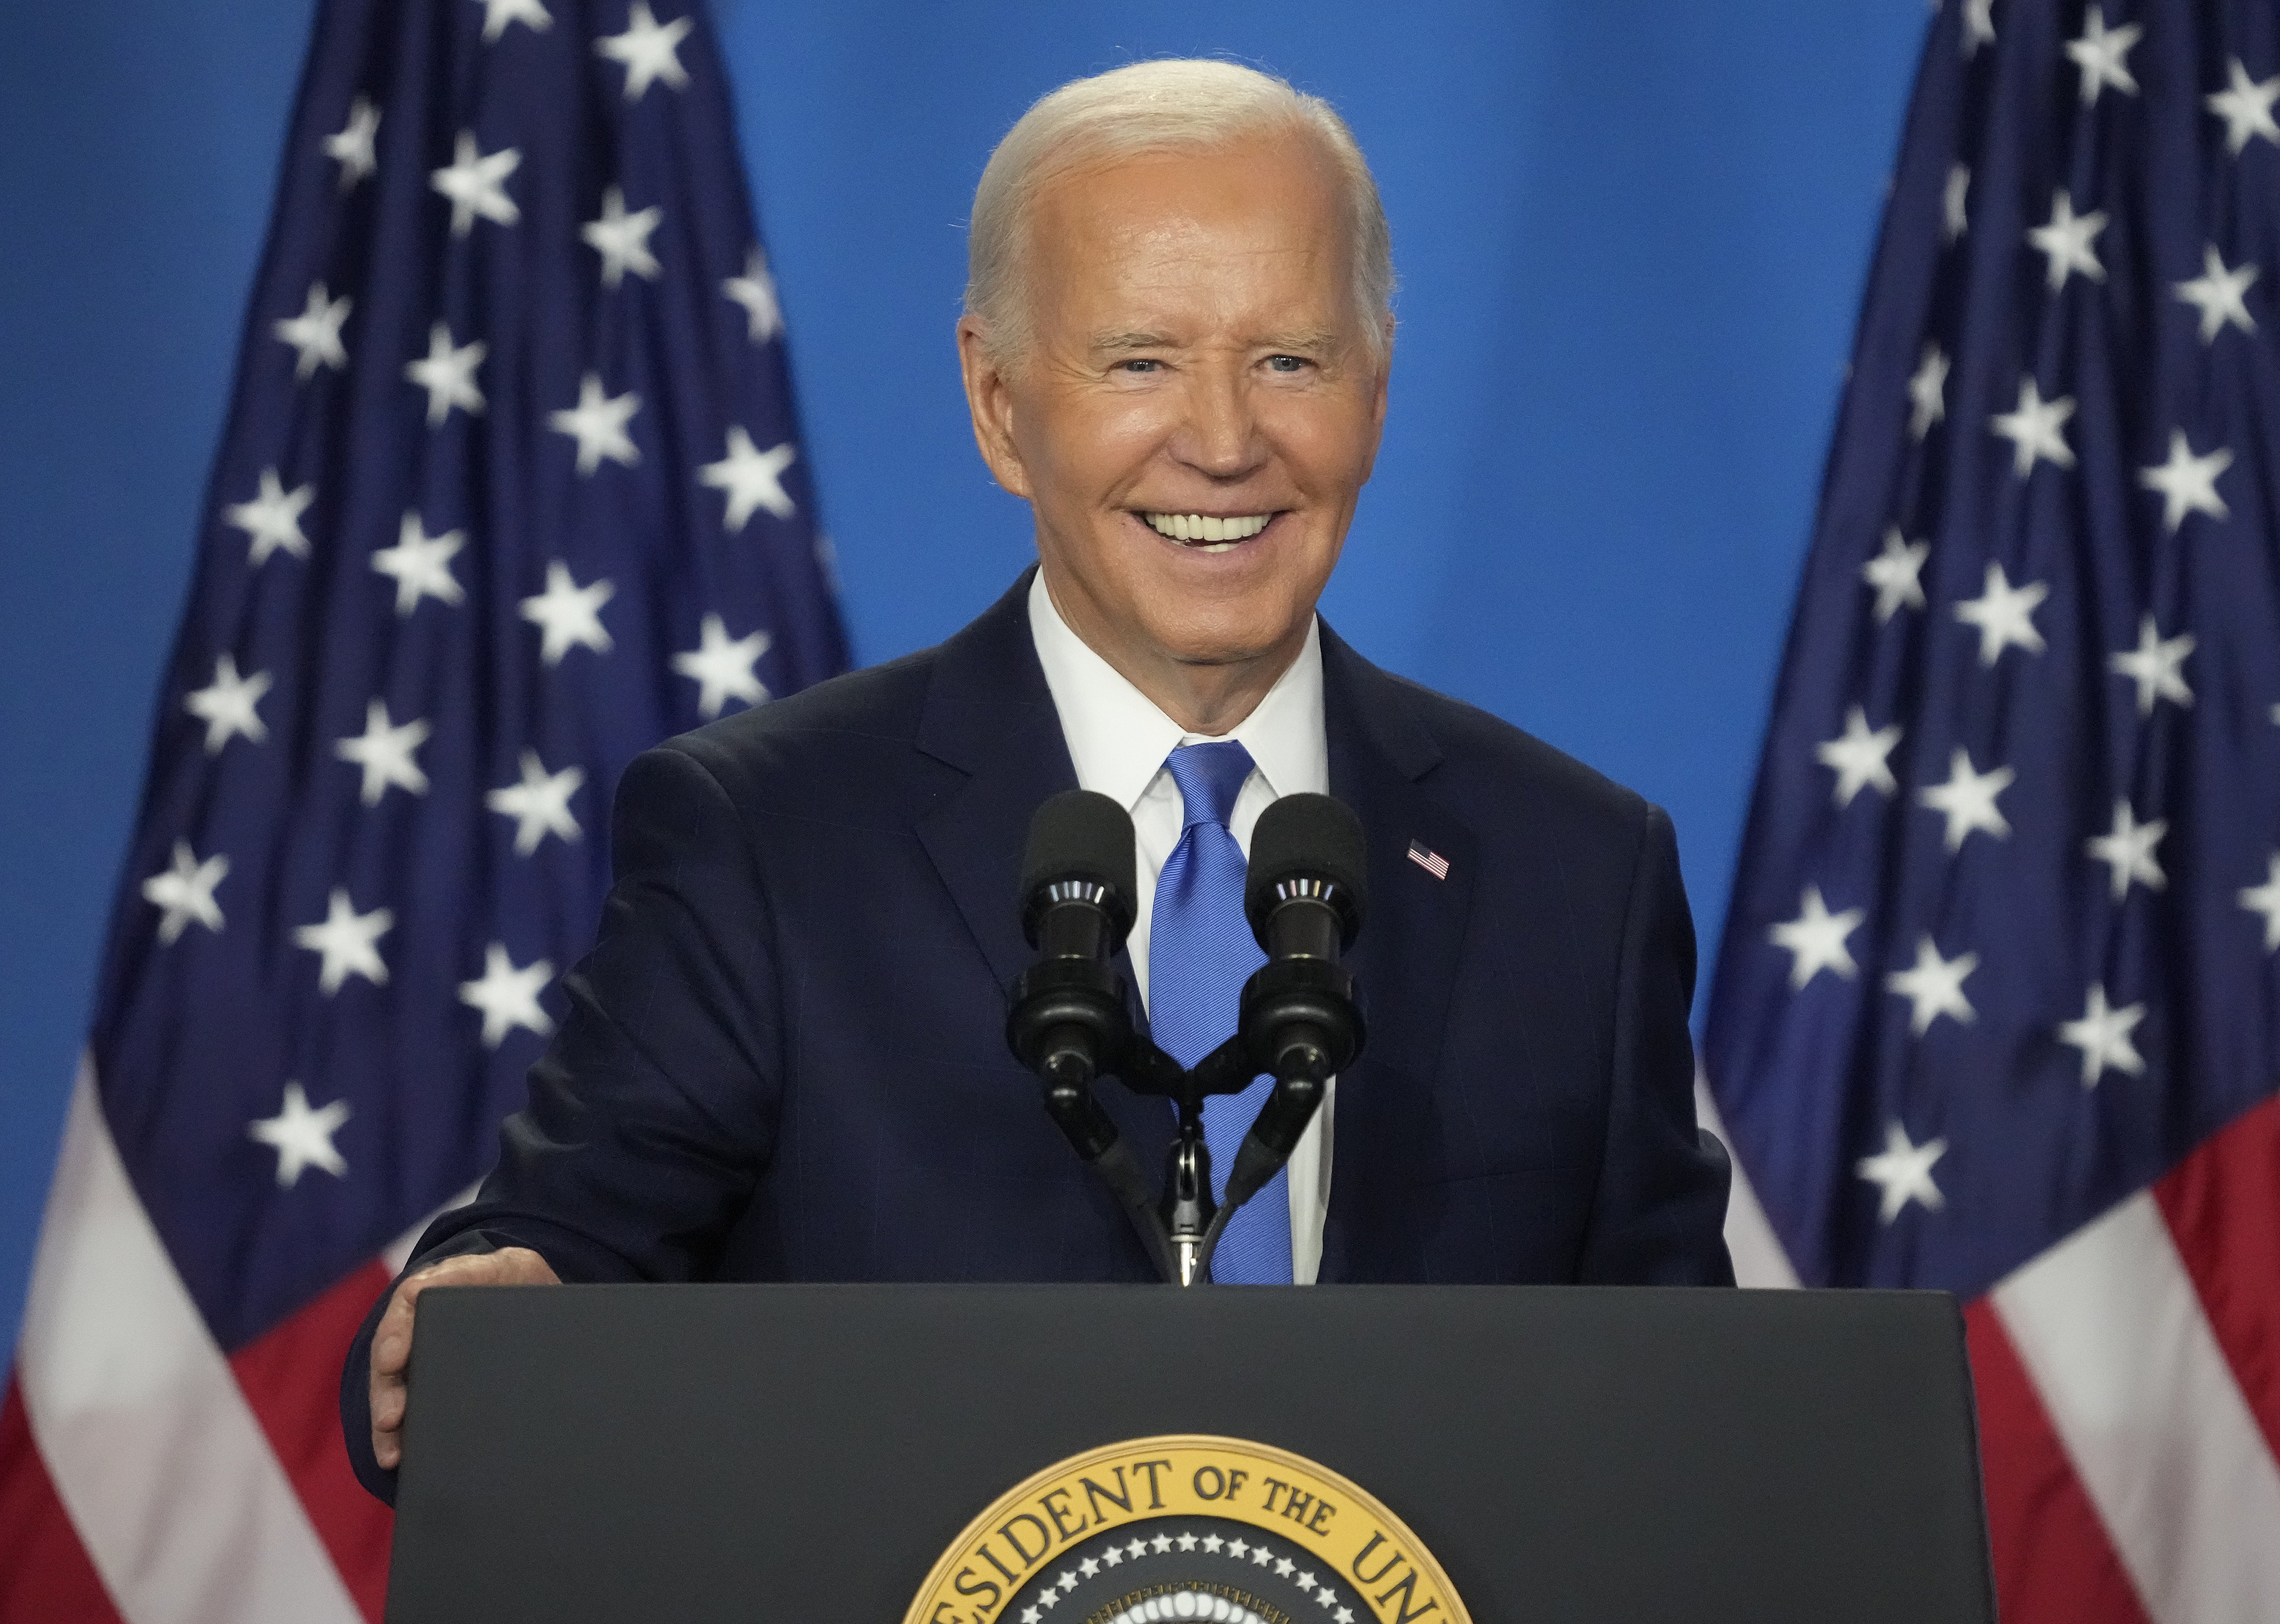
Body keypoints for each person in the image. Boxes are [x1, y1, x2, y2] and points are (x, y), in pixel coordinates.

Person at [344, 57, 1733, 1502]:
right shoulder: (767, 839)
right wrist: (486, 1304)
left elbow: (1690, 1423)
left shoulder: (1573, 868)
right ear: (998, 405)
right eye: (1140, 359)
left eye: (1290, 359)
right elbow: (561, 1257)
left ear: (1376, 391)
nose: (1221, 438)